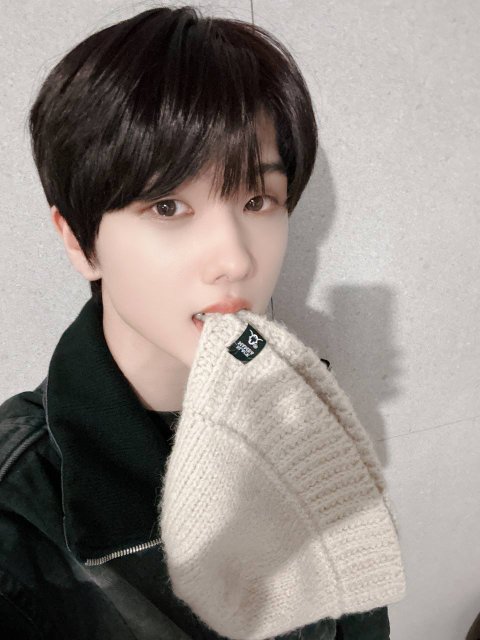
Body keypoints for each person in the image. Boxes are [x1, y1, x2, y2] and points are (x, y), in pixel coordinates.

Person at [0, 5, 391, 638]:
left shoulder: (305, 410)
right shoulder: (21, 514)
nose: (236, 259)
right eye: (168, 205)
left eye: (257, 200)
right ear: (77, 239)